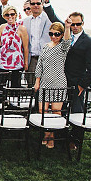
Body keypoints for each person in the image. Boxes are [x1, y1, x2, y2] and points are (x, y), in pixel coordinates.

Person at [33, 19, 72, 148]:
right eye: (51, 33)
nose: (54, 36)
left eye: (57, 34)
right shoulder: (45, 46)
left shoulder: (63, 47)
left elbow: (67, 41)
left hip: (59, 82)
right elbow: (39, 65)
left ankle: (52, 137)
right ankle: (45, 134)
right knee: (42, 110)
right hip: (45, 81)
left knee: (56, 111)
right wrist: (37, 81)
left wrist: (67, 27)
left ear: (61, 35)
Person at [0, 6, 29, 88]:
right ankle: (1, 100)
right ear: (4, 16)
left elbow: (25, 47)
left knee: (15, 86)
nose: (10, 17)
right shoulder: (2, 27)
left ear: (16, 15)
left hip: (16, 61)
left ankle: (13, 99)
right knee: (0, 85)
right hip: (3, 60)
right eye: (7, 15)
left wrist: (26, 62)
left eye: (12, 14)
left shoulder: (22, 29)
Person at [64, 11, 91, 115]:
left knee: (77, 111)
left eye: (78, 24)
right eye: (72, 24)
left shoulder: (89, 41)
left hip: (78, 82)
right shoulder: (66, 37)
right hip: (64, 80)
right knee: (63, 108)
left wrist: (83, 85)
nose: (75, 27)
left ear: (82, 23)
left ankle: (77, 131)